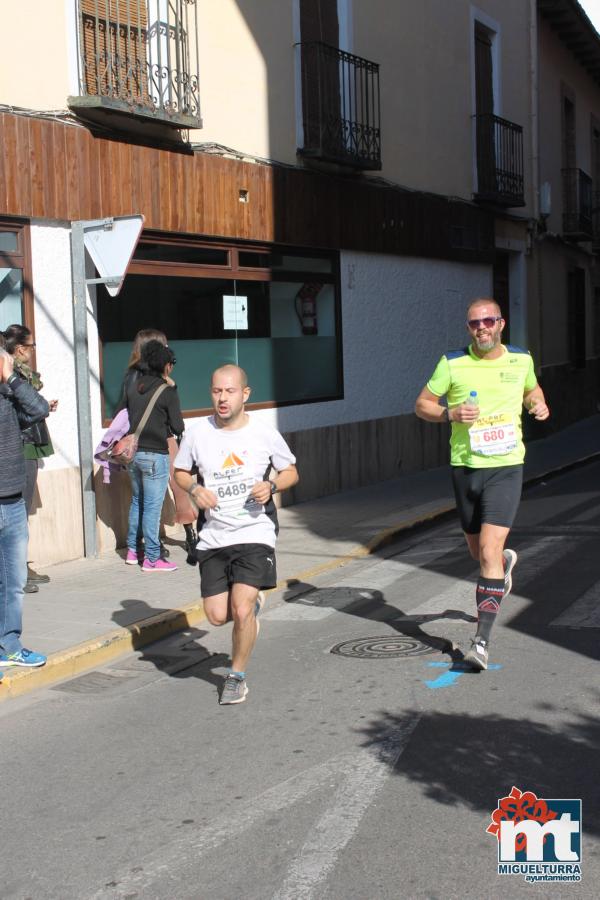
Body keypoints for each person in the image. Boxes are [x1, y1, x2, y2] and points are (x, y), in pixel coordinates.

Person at [415, 298, 549, 671]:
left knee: (487, 551)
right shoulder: (452, 363)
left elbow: (531, 390)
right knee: (478, 553)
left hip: (507, 465)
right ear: (469, 328)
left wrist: (538, 403)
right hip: (466, 467)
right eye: (475, 323)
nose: (482, 328)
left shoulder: (521, 359)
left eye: (488, 321)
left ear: (501, 323)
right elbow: (421, 404)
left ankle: (481, 643)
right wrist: (449, 413)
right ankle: (503, 565)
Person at [174, 364, 299, 704]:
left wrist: (271, 485)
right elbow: (181, 472)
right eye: (216, 391)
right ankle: (252, 603)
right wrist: (194, 489)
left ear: (245, 394)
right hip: (214, 535)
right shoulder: (198, 433)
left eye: (230, 391)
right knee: (217, 616)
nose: (222, 398)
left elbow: (291, 471)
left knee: (241, 611)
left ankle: (236, 675)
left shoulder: (263, 433)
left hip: (254, 531)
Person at [117, 328, 198, 563]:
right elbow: (175, 421)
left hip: (144, 444)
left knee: (151, 497)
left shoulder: (136, 377)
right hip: (157, 442)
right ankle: (153, 552)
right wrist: (171, 388)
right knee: (156, 499)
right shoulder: (145, 379)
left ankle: (138, 548)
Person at [0, 337, 49, 668]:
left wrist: (12, 379)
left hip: (13, 500)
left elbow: (40, 409)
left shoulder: (9, 392)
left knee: (14, 583)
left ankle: (9, 645)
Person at [3, 324, 58, 593]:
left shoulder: (19, 375)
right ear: (21, 348)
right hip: (20, 448)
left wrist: (42, 405)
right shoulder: (11, 375)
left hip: (26, 444)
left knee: (18, 514)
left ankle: (19, 568)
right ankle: (16, 570)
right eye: (31, 346)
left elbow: (31, 406)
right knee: (16, 514)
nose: (33, 352)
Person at [124, 340, 184, 573]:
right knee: (152, 507)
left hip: (134, 454)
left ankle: (132, 550)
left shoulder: (134, 386)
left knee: (137, 502)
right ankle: (151, 558)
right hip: (155, 455)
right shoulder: (166, 391)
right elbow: (178, 426)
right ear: (166, 366)